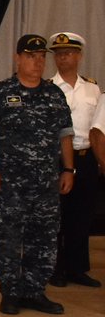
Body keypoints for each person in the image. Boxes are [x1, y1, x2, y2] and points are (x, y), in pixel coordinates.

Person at [0, 34, 74, 315]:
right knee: (7, 238)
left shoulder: (54, 94)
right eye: (31, 56)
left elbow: (65, 136)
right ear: (17, 58)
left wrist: (68, 169)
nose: (37, 62)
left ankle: (34, 291)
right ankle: (10, 293)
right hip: (8, 183)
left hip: (45, 184)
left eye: (42, 56)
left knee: (43, 238)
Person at [47, 32, 101, 288]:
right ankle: (55, 268)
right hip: (57, 159)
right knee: (57, 215)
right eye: (58, 54)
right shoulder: (48, 88)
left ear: (79, 56)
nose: (62, 58)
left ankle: (77, 268)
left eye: (67, 53)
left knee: (82, 215)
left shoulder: (92, 87)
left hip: (85, 157)